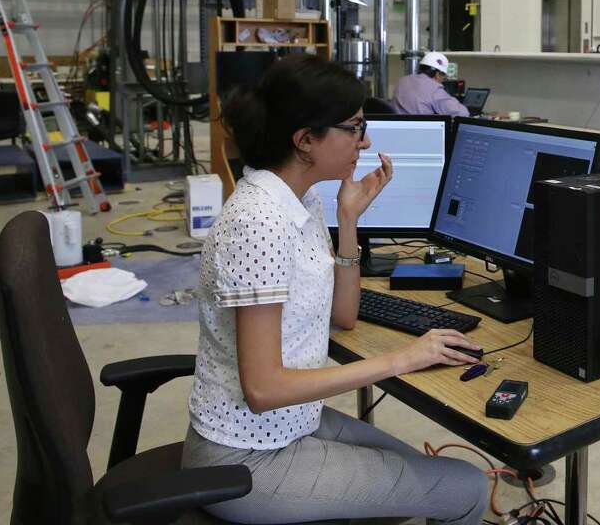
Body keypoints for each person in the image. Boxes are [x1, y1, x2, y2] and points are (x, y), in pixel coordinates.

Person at [182, 54, 489, 524]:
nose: (364, 141)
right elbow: (263, 388)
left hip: (293, 424)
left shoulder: (296, 201)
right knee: (465, 487)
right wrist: (403, 359)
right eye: (354, 127)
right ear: (305, 140)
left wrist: (349, 220)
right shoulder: (258, 221)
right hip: (247, 457)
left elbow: (343, 316)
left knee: (430, 474)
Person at [392, 51, 470, 116]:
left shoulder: (403, 81)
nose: (443, 80)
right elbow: (462, 113)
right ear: (437, 74)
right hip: (423, 132)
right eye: (443, 76)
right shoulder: (434, 89)